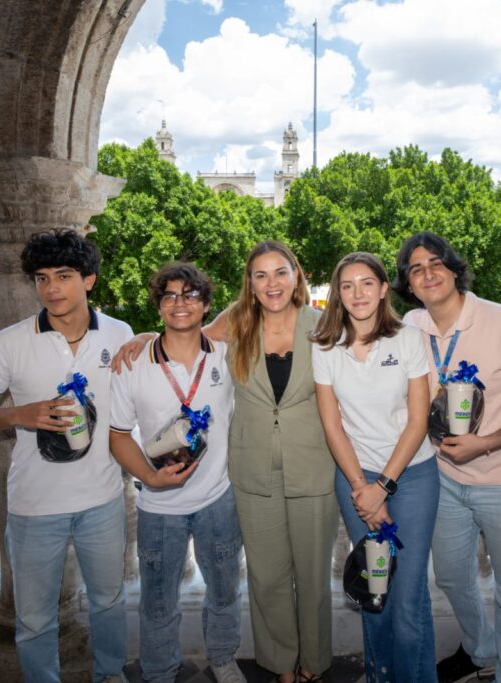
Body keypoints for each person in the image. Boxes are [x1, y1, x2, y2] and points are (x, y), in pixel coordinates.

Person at [115, 242, 338, 683]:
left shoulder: (324, 326)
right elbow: (182, 331)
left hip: (309, 467)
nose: (271, 283)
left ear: (297, 276)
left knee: (312, 578)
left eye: (280, 272)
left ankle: (311, 662)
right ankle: (280, 666)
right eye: (260, 275)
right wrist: (143, 338)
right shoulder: (237, 326)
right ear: (249, 285)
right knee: (265, 579)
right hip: (251, 473)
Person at [0, 228, 133, 683]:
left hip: (102, 500)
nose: (52, 288)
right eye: (41, 278)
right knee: (35, 618)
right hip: (34, 507)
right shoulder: (8, 343)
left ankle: (111, 675)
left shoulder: (119, 334)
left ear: (89, 280)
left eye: (64, 275)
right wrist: (22, 414)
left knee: (110, 603)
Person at [392, 232, 501, 683]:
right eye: (415, 268)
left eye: (435, 263)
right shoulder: (410, 326)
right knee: (450, 578)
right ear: (408, 283)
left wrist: (484, 443)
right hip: (442, 481)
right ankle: (482, 649)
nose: (427, 273)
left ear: (453, 268)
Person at [108, 262, 246, 683]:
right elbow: (117, 437)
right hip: (158, 507)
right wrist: (150, 479)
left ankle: (222, 659)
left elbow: (256, 303)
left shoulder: (226, 353)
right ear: (158, 306)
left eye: (190, 295)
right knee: (157, 602)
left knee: (224, 593)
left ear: (206, 305)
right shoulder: (132, 363)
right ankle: (159, 671)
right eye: (169, 295)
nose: (179, 303)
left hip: (218, 499)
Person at [311, 251, 438, 683]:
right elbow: (332, 426)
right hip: (355, 479)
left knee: (407, 599)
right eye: (347, 286)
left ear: (384, 289)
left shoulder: (405, 339)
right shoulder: (325, 346)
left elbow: (419, 420)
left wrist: (382, 486)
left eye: (367, 283)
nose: (357, 293)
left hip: (412, 477)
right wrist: (362, 487)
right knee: (375, 592)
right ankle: (381, 675)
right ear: (337, 294)